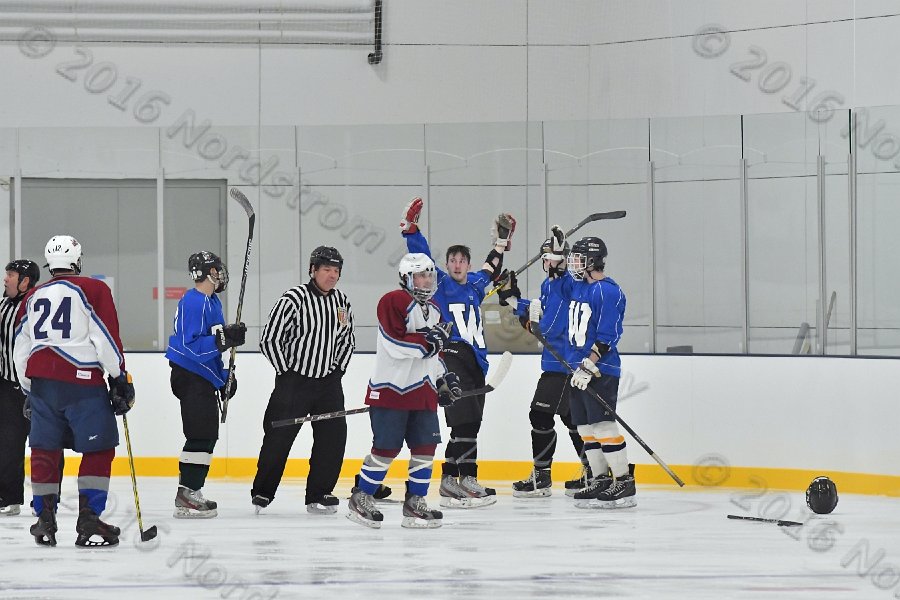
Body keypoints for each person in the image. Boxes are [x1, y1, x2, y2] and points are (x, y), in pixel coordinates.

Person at [14, 235, 135, 547]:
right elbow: (105, 337)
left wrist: (30, 387)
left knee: (44, 449)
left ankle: (44, 516)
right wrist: (119, 376)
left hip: (41, 384)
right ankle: (89, 516)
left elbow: (20, 350)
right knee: (99, 448)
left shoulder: (32, 296)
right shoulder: (93, 289)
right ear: (78, 261)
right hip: (82, 383)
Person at [400, 197, 513, 509]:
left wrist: (501, 243)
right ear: (447, 265)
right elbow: (420, 256)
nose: (458, 264)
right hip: (452, 355)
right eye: (453, 260)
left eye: (463, 260)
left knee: (471, 423)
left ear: (468, 264)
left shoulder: (477, 283)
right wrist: (411, 230)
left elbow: (491, 266)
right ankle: (453, 480)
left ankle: (462, 478)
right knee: (464, 418)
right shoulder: (442, 285)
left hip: (477, 361)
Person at [346, 253, 462, 529]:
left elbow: (434, 355)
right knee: (386, 449)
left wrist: (444, 379)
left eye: (430, 275)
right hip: (390, 390)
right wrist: (429, 342)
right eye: (421, 275)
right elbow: (395, 343)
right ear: (407, 278)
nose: (427, 280)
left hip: (422, 392)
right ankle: (362, 496)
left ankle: (415, 502)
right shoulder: (392, 301)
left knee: (425, 448)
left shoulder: (434, 310)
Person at [252, 246, 355, 515]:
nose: (332, 275)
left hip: (328, 384)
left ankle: (319, 493)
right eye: (326, 270)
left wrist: (337, 371)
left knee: (333, 438)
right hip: (294, 382)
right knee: (278, 437)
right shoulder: (293, 299)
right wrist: (286, 373)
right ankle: (263, 491)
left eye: (336, 271)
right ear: (313, 270)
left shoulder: (342, 302)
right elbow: (270, 339)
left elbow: (347, 341)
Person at [501, 231, 590, 498]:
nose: (545, 262)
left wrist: (561, 261)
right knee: (572, 419)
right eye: (545, 258)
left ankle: (542, 477)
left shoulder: (566, 283)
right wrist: (515, 300)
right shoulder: (547, 285)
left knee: (540, 415)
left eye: (549, 258)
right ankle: (594, 472)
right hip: (554, 362)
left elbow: (548, 325)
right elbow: (543, 312)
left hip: (563, 364)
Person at [551, 235, 635, 509]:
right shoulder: (577, 287)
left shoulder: (608, 291)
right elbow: (554, 273)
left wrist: (590, 364)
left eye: (579, 258)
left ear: (594, 261)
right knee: (585, 428)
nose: (574, 263)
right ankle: (600, 478)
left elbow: (608, 334)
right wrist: (556, 250)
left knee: (602, 425)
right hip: (577, 370)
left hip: (600, 370)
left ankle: (623, 481)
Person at [166, 251, 246, 519]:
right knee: (200, 433)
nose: (219, 274)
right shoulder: (194, 301)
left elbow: (212, 348)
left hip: (201, 375)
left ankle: (192, 490)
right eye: (214, 270)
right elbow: (191, 347)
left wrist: (222, 377)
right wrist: (224, 340)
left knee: (207, 434)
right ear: (201, 273)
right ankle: (186, 493)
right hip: (189, 374)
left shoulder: (213, 302)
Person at [0, 260, 40, 516]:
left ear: (25, 280)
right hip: (6, 386)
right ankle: (9, 496)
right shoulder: (3, 305)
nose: (5, 279)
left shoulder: (38, 305)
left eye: (11, 275)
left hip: (37, 389)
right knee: (7, 444)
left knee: (45, 443)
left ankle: (47, 499)